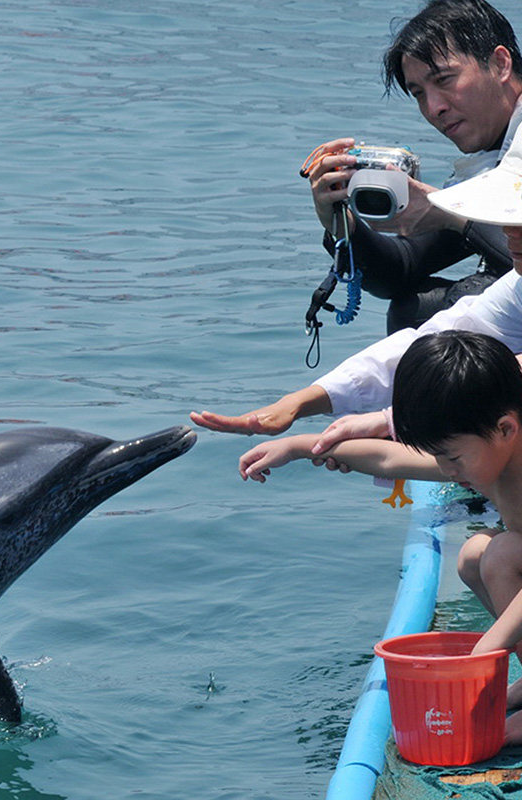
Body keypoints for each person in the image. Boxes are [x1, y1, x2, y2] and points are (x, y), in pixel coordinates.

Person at [237, 330, 522, 743]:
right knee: (475, 555)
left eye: (453, 457)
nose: (447, 470)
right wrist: (301, 447)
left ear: (505, 430)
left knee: (502, 555)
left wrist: (483, 652)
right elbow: (390, 456)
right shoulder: (489, 456)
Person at [190, 117, 522, 453]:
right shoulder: (517, 287)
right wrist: (298, 402)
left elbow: (500, 374)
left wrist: (387, 423)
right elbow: (439, 337)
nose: (509, 230)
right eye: (506, 215)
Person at [307, 0, 522, 333]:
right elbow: (400, 271)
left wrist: (453, 215)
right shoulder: (486, 162)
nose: (433, 108)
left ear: (500, 63)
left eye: (445, 79)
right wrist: (341, 223)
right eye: (419, 93)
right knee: (416, 309)